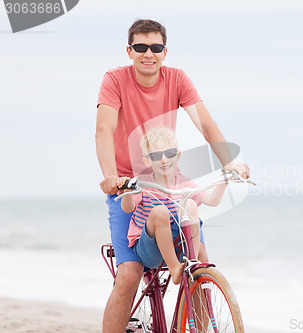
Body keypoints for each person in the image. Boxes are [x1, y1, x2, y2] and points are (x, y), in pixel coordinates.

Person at [95, 19, 249, 333]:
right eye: (140, 47)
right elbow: (104, 129)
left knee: (201, 260)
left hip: (169, 182)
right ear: (130, 51)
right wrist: (111, 177)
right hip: (130, 185)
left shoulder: (177, 79)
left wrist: (229, 163)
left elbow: (206, 125)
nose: (148, 53)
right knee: (128, 274)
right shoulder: (114, 80)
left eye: (155, 47)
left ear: (165, 52)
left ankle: (200, 327)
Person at [118, 127, 228, 285]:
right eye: (156, 155)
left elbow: (213, 201)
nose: (164, 160)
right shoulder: (143, 182)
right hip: (150, 250)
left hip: (177, 244)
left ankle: (192, 262)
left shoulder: (185, 182)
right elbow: (128, 208)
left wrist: (224, 178)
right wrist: (128, 190)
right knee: (160, 212)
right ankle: (174, 268)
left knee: (190, 204)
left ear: (178, 155)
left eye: (169, 153)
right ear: (147, 161)